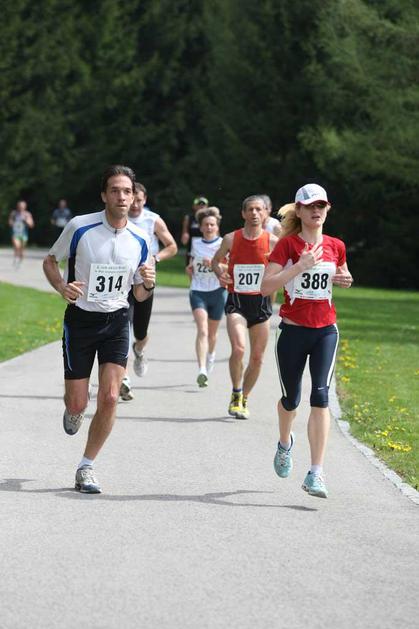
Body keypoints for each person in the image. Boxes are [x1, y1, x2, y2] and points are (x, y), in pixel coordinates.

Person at [43, 165, 156, 494]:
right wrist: (62, 286)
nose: (122, 196)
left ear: (134, 197)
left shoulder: (141, 239)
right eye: (115, 190)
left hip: (117, 321)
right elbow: (50, 261)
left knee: (109, 396)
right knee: (78, 403)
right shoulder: (80, 227)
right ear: (104, 195)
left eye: (127, 191)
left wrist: (149, 285)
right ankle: (74, 409)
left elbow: (139, 294)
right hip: (80, 320)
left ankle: (86, 466)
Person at [261, 183, 353, 498]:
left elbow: (342, 274)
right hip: (293, 331)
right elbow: (265, 287)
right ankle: (284, 443)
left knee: (321, 396)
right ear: (299, 210)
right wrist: (300, 266)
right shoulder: (287, 246)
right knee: (291, 399)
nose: (316, 211)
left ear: (327, 210)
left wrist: (345, 279)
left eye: (321, 206)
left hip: (326, 330)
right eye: (310, 206)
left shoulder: (336, 245)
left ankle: (316, 472)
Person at [212, 195, 278, 419]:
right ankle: (236, 392)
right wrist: (220, 273)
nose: (254, 213)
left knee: (257, 358)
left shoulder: (273, 241)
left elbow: (284, 268)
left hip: (261, 305)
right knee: (239, 349)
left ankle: (244, 398)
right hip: (237, 303)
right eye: (250, 209)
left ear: (266, 213)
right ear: (243, 213)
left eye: (259, 209)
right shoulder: (231, 239)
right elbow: (216, 261)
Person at [119, 182, 178, 400]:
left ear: (145, 200)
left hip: (145, 281)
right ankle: (124, 378)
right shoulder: (118, 219)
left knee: (140, 332)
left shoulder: (153, 220)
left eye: (139, 200)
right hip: (123, 282)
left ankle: (139, 349)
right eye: (132, 199)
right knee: (122, 327)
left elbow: (172, 246)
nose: (135, 204)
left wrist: (156, 258)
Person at [187, 206, 226, 387]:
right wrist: (190, 270)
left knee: (212, 333)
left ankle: (211, 355)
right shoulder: (195, 243)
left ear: (217, 226)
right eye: (206, 225)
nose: (209, 227)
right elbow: (191, 265)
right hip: (198, 291)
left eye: (212, 224)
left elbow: (231, 268)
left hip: (218, 291)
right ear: (201, 227)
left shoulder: (223, 244)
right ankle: (202, 369)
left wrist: (214, 264)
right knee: (202, 330)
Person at [181, 196, 209, 266]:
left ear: (207, 206)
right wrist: (185, 236)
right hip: (192, 247)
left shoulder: (210, 219)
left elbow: (216, 234)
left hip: (206, 246)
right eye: (199, 204)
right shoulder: (189, 218)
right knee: (191, 267)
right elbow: (185, 232)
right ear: (194, 206)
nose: (201, 206)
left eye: (203, 205)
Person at [8, 200, 34, 266]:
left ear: (25, 207)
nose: (21, 207)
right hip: (15, 233)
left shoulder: (27, 214)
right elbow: (10, 222)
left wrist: (25, 221)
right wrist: (12, 223)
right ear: (17, 206)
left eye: (22, 206)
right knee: (17, 246)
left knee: (22, 249)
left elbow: (31, 225)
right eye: (20, 206)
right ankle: (16, 258)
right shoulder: (14, 213)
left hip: (24, 234)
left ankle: (20, 260)